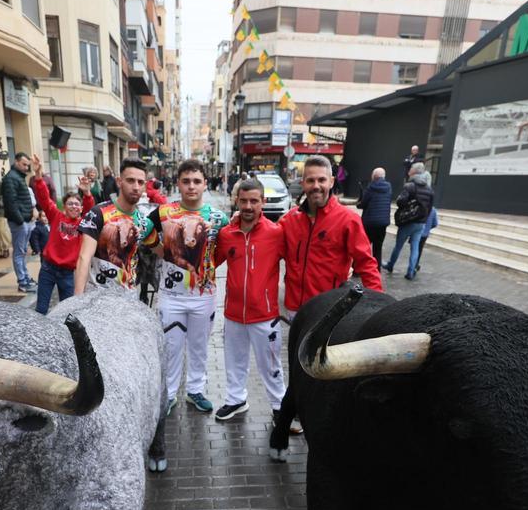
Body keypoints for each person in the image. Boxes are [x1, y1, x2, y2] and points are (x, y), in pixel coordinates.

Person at [149, 158, 230, 415]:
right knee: (171, 347)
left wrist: (209, 266)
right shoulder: (164, 212)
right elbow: (142, 233)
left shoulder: (219, 218)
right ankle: (170, 393)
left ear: (205, 184)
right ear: (178, 184)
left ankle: (195, 390)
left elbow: (229, 247)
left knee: (199, 347)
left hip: (203, 297)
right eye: (186, 182)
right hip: (171, 296)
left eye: (196, 181)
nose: (191, 186)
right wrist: (164, 253)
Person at [213, 178, 286, 424]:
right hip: (233, 313)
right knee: (234, 362)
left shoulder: (276, 233)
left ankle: (279, 406)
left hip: (265, 315)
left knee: (271, 366)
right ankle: (236, 399)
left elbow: (298, 260)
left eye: (254, 201)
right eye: (243, 200)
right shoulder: (226, 234)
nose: (248, 206)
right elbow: (210, 262)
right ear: (236, 201)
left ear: (262, 202)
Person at [279, 154, 383, 319]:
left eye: (322, 180)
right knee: (296, 346)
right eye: (310, 180)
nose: (316, 186)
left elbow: (366, 264)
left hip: (328, 309)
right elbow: (265, 242)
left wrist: (379, 307)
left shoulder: (348, 220)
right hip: (294, 308)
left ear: (332, 182)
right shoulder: (288, 220)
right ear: (302, 183)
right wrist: (238, 222)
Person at [74, 158, 156, 294]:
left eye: (140, 182)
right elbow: (84, 258)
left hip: (128, 301)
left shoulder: (144, 222)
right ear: (119, 181)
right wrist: (77, 301)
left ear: (144, 186)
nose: (136, 187)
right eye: (130, 180)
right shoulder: (98, 213)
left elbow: (163, 252)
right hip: (97, 299)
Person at [30, 155, 94, 314]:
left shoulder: (82, 224)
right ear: (64, 206)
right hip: (48, 269)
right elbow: (44, 199)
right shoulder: (56, 216)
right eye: (70, 203)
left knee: (66, 311)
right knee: (41, 309)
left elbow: (90, 209)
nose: (74, 206)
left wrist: (86, 194)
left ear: (80, 208)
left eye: (77, 204)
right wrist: (38, 175)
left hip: (67, 273)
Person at [385, 169, 434, 280]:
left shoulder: (410, 186)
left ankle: (390, 265)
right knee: (415, 247)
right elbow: (430, 208)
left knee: (398, 246)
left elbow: (400, 202)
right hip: (420, 223)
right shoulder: (429, 190)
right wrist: (423, 220)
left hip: (407, 222)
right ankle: (411, 271)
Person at [0, 152, 37, 293]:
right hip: (19, 222)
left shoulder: (18, 177)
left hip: (25, 221)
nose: (26, 167)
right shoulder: (10, 178)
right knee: (19, 252)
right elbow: (10, 202)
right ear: (16, 162)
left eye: (28, 165)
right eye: (24, 164)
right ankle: (22, 281)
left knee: (23, 252)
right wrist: (20, 220)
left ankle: (26, 278)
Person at [357, 167, 393, 262]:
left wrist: (358, 204)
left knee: (364, 246)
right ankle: (377, 270)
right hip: (383, 223)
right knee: (378, 248)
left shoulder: (371, 188)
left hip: (370, 223)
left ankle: (357, 269)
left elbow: (363, 204)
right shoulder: (388, 188)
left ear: (373, 176)